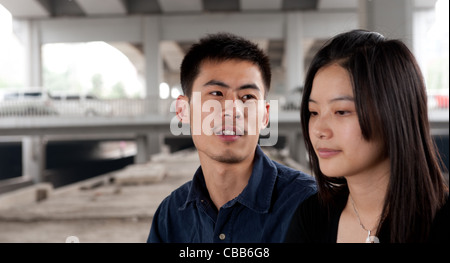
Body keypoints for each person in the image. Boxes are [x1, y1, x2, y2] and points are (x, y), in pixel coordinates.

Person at [147, 32, 316, 243]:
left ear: (265, 115)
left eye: (247, 97)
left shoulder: (309, 204)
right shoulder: (170, 215)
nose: (232, 110)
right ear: (182, 110)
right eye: (216, 94)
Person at [285, 29, 449, 243]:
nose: (318, 130)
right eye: (314, 112)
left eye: (341, 111)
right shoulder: (313, 217)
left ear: (392, 113)